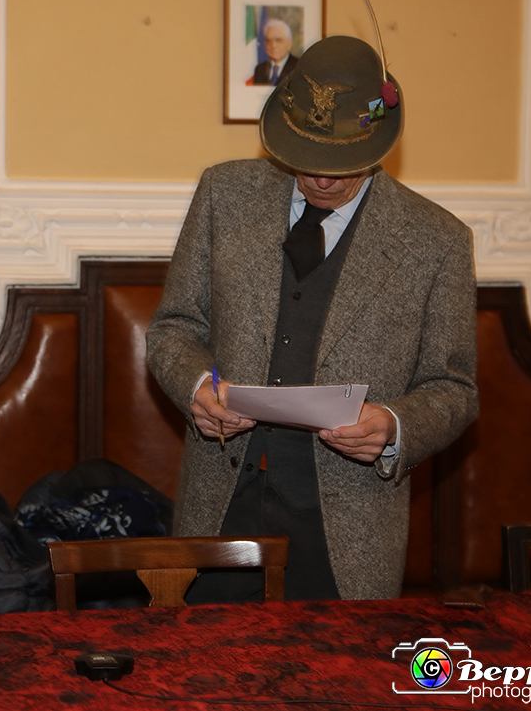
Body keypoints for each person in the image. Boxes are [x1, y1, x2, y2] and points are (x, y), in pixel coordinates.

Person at [146, 35, 478, 601]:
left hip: (348, 535)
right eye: (307, 160)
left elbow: (454, 389)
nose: (322, 179)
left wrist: (394, 427)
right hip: (219, 514)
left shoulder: (437, 240)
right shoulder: (223, 195)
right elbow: (173, 328)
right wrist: (199, 387)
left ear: (378, 141)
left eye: (341, 165)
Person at [252, 19, 298, 85]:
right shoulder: (260, 69)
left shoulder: (298, 67)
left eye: (279, 40)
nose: (273, 46)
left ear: (290, 43)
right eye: (269, 40)